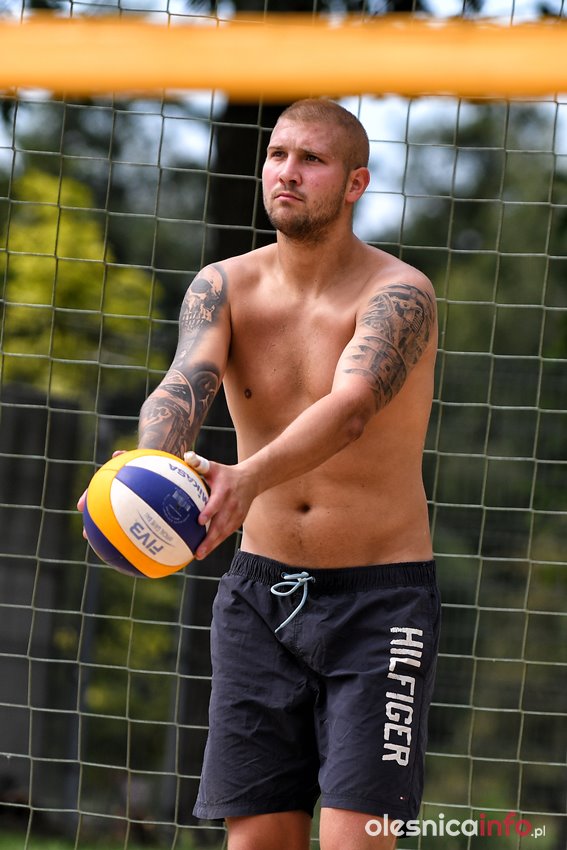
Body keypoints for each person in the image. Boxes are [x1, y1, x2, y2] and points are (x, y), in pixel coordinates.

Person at [81, 97, 440, 850]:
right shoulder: (223, 285)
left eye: (312, 159)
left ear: (355, 183)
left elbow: (350, 410)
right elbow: (185, 383)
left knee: (356, 840)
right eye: (278, 155)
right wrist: (145, 465)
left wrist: (244, 480)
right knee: (255, 842)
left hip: (380, 603)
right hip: (259, 594)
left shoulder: (399, 293)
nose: (287, 172)